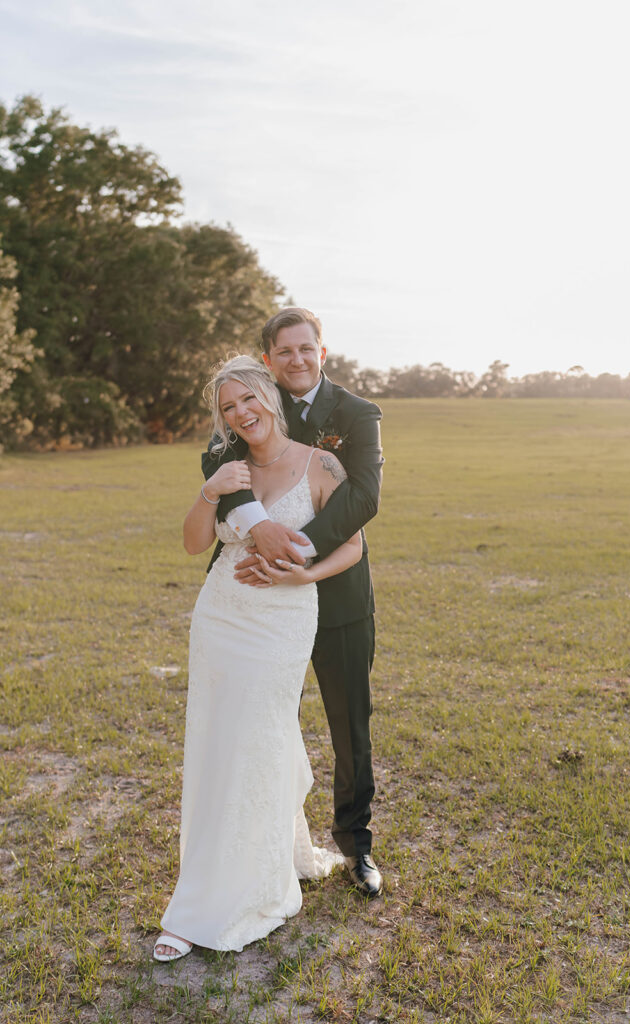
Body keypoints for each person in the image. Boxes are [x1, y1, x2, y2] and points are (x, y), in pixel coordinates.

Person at [154, 355, 362, 961]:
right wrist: (209, 492)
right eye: (228, 407)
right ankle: (203, 889)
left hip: (283, 622)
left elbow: (352, 545)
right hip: (221, 617)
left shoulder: (320, 465)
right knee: (217, 742)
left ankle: (249, 889)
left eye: (248, 399)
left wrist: (304, 577)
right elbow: (194, 543)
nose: (241, 413)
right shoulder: (229, 467)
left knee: (260, 738)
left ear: (270, 396)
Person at [202, 307, 384, 900]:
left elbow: (363, 498)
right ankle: (264, 842)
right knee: (260, 721)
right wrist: (257, 524)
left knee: (349, 723)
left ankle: (356, 845)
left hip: (335, 593)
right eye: (284, 351)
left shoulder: (357, 414)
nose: (296, 360)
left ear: (322, 352)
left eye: (306, 349)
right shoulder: (252, 403)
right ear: (268, 359)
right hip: (257, 604)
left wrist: (292, 554)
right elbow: (214, 461)